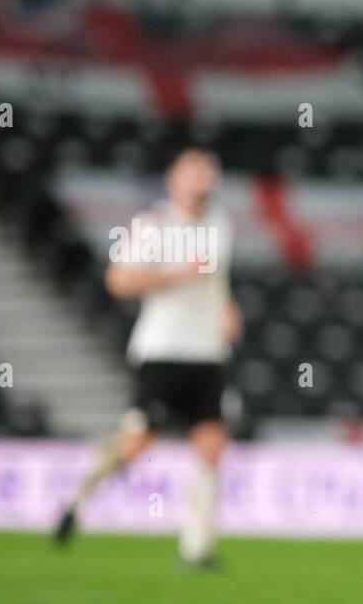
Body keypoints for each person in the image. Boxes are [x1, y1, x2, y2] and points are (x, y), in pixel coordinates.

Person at [53, 148, 240, 568]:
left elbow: (217, 281)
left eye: (208, 171)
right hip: (162, 351)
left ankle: (197, 547)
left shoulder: (219, 224)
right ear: (174, 179)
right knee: (136, 442)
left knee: (211, 444)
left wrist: (227, 309)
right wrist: (176, 275)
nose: (203, 178)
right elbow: (118, 280)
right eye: (193, 171)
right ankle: (76, 501)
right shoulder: (154, 225)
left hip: (207, 352)